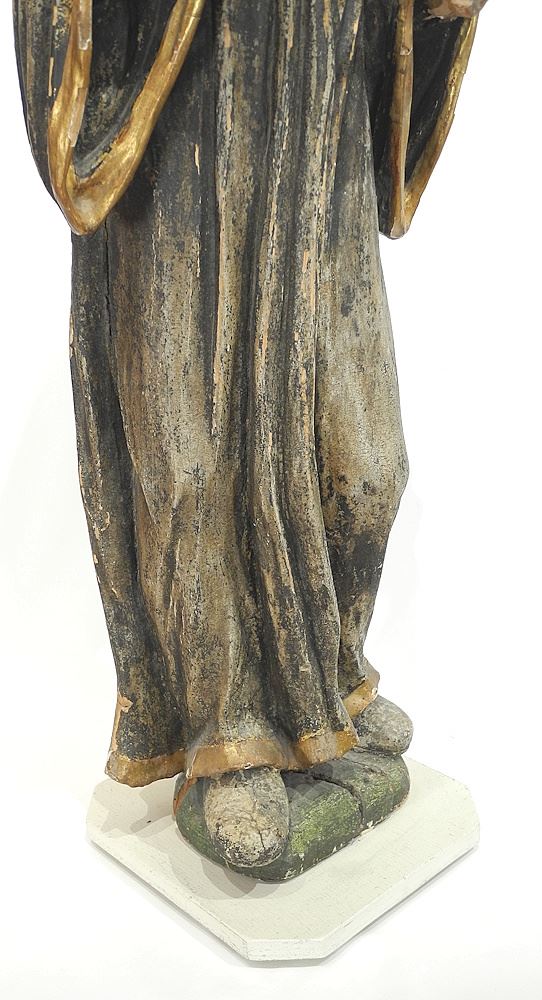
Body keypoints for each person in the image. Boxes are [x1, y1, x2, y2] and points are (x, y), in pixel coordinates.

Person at [14, 0, 484, 868]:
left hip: (322, 131)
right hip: (185, 135)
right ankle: (226, 737)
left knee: (367, 467)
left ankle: (331, 680)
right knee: (191, 475)